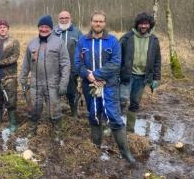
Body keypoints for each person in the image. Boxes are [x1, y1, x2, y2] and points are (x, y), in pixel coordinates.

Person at [74, 11, 135, 163]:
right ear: (91, 22)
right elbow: (77, 63)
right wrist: (88, 76)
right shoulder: (82, 41)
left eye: (101, 21)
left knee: (114, 117)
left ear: (105, 23)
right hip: (91, 86)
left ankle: (125, 153)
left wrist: (97, 75)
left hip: (109, 86)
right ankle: (96, 148)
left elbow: (115, 63)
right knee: (94, 115)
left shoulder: (113, 41)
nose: (98, 24)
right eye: (95, 21)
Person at [19, 15, 70, 141]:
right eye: (41, 27)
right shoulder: (32, 44)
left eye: (46, 27)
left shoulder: (59, 43)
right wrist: (23, 79)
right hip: (35, 83)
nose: (44, 29)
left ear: (51, 29)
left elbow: (65, 64)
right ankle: (32, 131)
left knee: (54, 110)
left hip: (53, 84)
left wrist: (64, 83)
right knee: (33, 109)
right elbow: (26, 64)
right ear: (38, 28)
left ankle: (57, 133)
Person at [120, 12, 161, 132]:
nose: (144, 26)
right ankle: (114, 126)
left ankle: (130, 129)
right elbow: (117, 57)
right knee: (121, 102)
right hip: (126, 76)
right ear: (137, 24)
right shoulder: (127, 37)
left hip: (143, 77)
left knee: (134, 103)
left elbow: (157, 60)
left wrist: (156, 78)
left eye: (146, 24)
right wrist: (116, 75)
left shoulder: (154, 39)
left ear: (150, 25)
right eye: (141, 24)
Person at [0, 19, 20, 133]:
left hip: (10, 75)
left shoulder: (14, 41)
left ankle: (12, 124)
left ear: (8, 28)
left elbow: (15, 57)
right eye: (0, 27)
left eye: (4, 27)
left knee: (11, 100)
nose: (2, 29)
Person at [52, 10, 83, 117]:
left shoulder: (77, 32)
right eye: (61, 18)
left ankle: (74, 114)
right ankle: (56, 114)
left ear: (70, 18)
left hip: (71, 69)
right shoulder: (53, 32)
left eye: (66, 18)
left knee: (71, 92)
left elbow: (83, 50)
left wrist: (80, 67)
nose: (64, 20)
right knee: (55, 92)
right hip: (55, 69)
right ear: (58, 19)